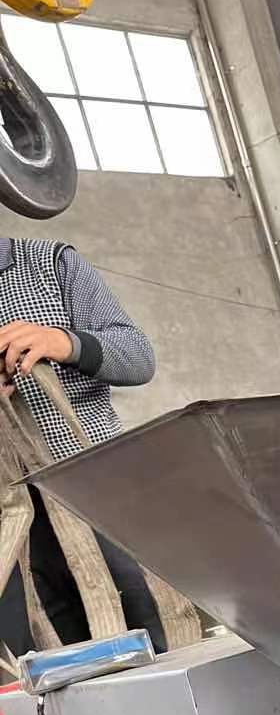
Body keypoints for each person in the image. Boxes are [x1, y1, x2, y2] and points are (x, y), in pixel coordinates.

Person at [0, 236, 160, 653]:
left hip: (94, 494)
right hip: (11, 531)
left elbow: (139, 358)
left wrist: (64, 343)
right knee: (39, 669)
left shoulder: (49, 264)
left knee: (150, 640)